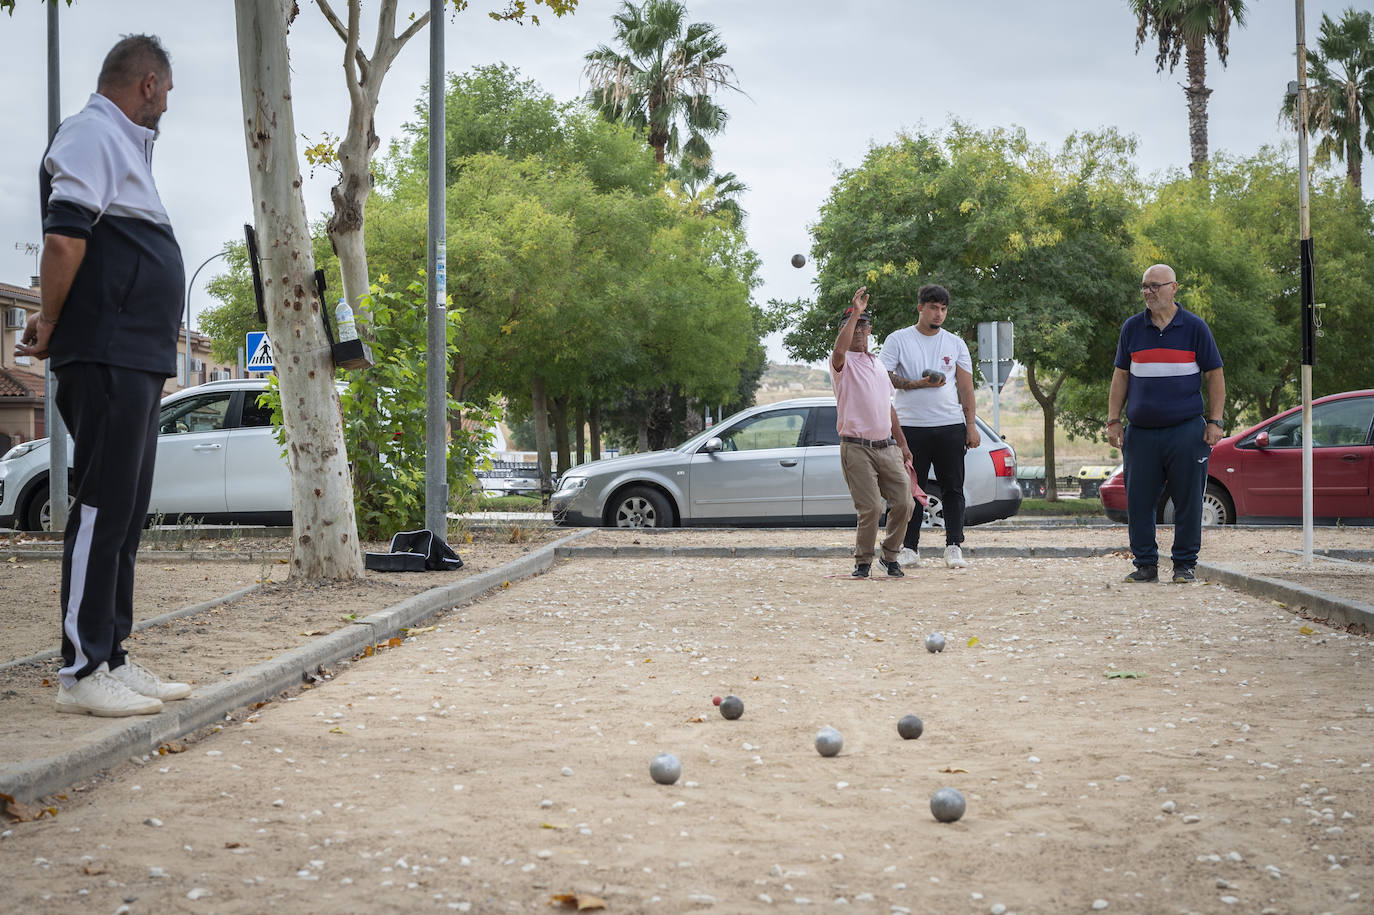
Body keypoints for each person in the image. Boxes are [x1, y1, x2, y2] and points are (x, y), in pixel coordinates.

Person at [17, 35, 192, 716]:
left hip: (136, 354)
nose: (168, 106)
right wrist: (52, 320)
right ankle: (83, 669)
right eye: (168, 92)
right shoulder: (92, 132)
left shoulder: (124, 147)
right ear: (147, 84)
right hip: (107, 349)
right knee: (98, 507)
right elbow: (64, 236)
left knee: (123, 508)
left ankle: (113, 652)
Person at [1106, 264, 1226, 584]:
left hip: (1186, 430)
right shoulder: (1132, 328)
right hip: (1141, 432)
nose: (1148, 292)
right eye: (1144, 286)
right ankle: (1145, 564)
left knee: (1187, 500)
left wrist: (1215, 421)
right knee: (1139, 501)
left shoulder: (1195, 328)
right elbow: (1121, 376)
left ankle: (1184, 566)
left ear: (1174, 288)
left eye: (1155, 286)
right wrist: (1114, 420)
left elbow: (1214, 375)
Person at [879, 283, 979, 569]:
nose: (939, 314)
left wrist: (970, 425)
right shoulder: (898, 339)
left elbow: (966, 386)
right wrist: (917, 384)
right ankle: (909, 548)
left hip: (949, 425)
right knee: (910, 489)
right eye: (933, 307)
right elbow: (884, 377)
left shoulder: (955, 343)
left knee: (953, 488)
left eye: (943, 309)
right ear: (920, 307)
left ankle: (953, 546)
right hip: (910, 427)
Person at [830, 286, 914, 578]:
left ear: (869, 332)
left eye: (863, 328)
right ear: (845, 330)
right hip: (856, 446)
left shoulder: (877, 363)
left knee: (905, 502)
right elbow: (840, 348)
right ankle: (862, 561)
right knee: (870, 508)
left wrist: (902, 445)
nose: (859, 332)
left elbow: (888, 407)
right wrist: (855, 311)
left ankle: (890, 555)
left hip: (886, 446)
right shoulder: (841, 362)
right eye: (854, 327)